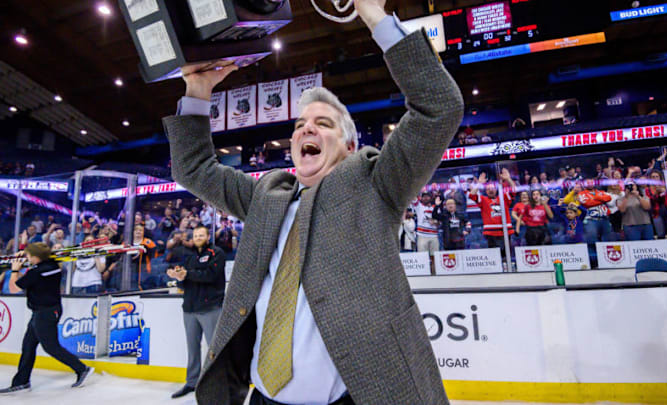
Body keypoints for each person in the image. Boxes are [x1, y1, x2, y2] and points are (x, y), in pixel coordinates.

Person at [163, 1, 463, 402]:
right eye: (300, 125)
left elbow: (439, 107)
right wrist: (197, 92)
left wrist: (372, 14)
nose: (307, 129)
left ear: (351, 145)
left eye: (323, 124)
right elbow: (194, 169)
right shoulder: (265, 194)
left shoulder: (376, 184)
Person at [0, 243, 94, 393]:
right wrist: (25, 262)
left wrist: (15, 270)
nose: (27, 258)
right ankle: (21, 382)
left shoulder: (37, 272)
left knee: (51, 347)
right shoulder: (51, 266)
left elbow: (13, 288)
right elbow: (32, 277)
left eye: (29, 256)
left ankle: (82, 369)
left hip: (45, 313)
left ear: (36, 258)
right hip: (44, 311)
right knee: (28, 346)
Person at [166, 226, 226, 399]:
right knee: (192, 349)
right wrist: (178, 278)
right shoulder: (190, 257)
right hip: (190, 309)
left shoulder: (217, 253)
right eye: (195, 235)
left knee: (215, 349)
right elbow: (185, 283)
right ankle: (192, 382)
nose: (198, 237)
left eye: (201, 235)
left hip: (210, 308)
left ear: (208, 236)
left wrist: (187, 274)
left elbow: (210, 275)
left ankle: (219, 384)